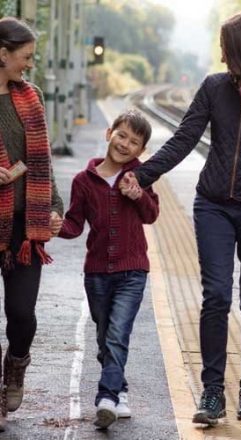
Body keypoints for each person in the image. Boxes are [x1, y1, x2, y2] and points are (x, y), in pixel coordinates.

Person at [121, 10, 241, 425]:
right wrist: (142, 174)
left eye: (229, 50)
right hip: (214, 204)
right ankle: (211, 393)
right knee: (216, 296)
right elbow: (184, 139)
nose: (224, 59)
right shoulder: (214, 88)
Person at [59, 109, 158, 429]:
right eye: (122, 135)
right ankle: (120, 388)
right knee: (105, 337)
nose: (126, 144)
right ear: (108, 134)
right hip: (97, 272)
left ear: (141, 151)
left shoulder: (140, 176)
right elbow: (74, 225)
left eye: (135, 142)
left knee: (117, 335)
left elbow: (151, 214)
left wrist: (138, 194)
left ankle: (107, 397)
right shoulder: (83, 181)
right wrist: (55, 226)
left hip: (132, 271)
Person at [0, 17, 63, 431]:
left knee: (22, 314)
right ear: (2, 54)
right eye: (25, 57)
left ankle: (15, 366)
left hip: (25, 228)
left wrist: (54, 205)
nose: (30, 65)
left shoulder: (31, 96)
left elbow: (42, 162)